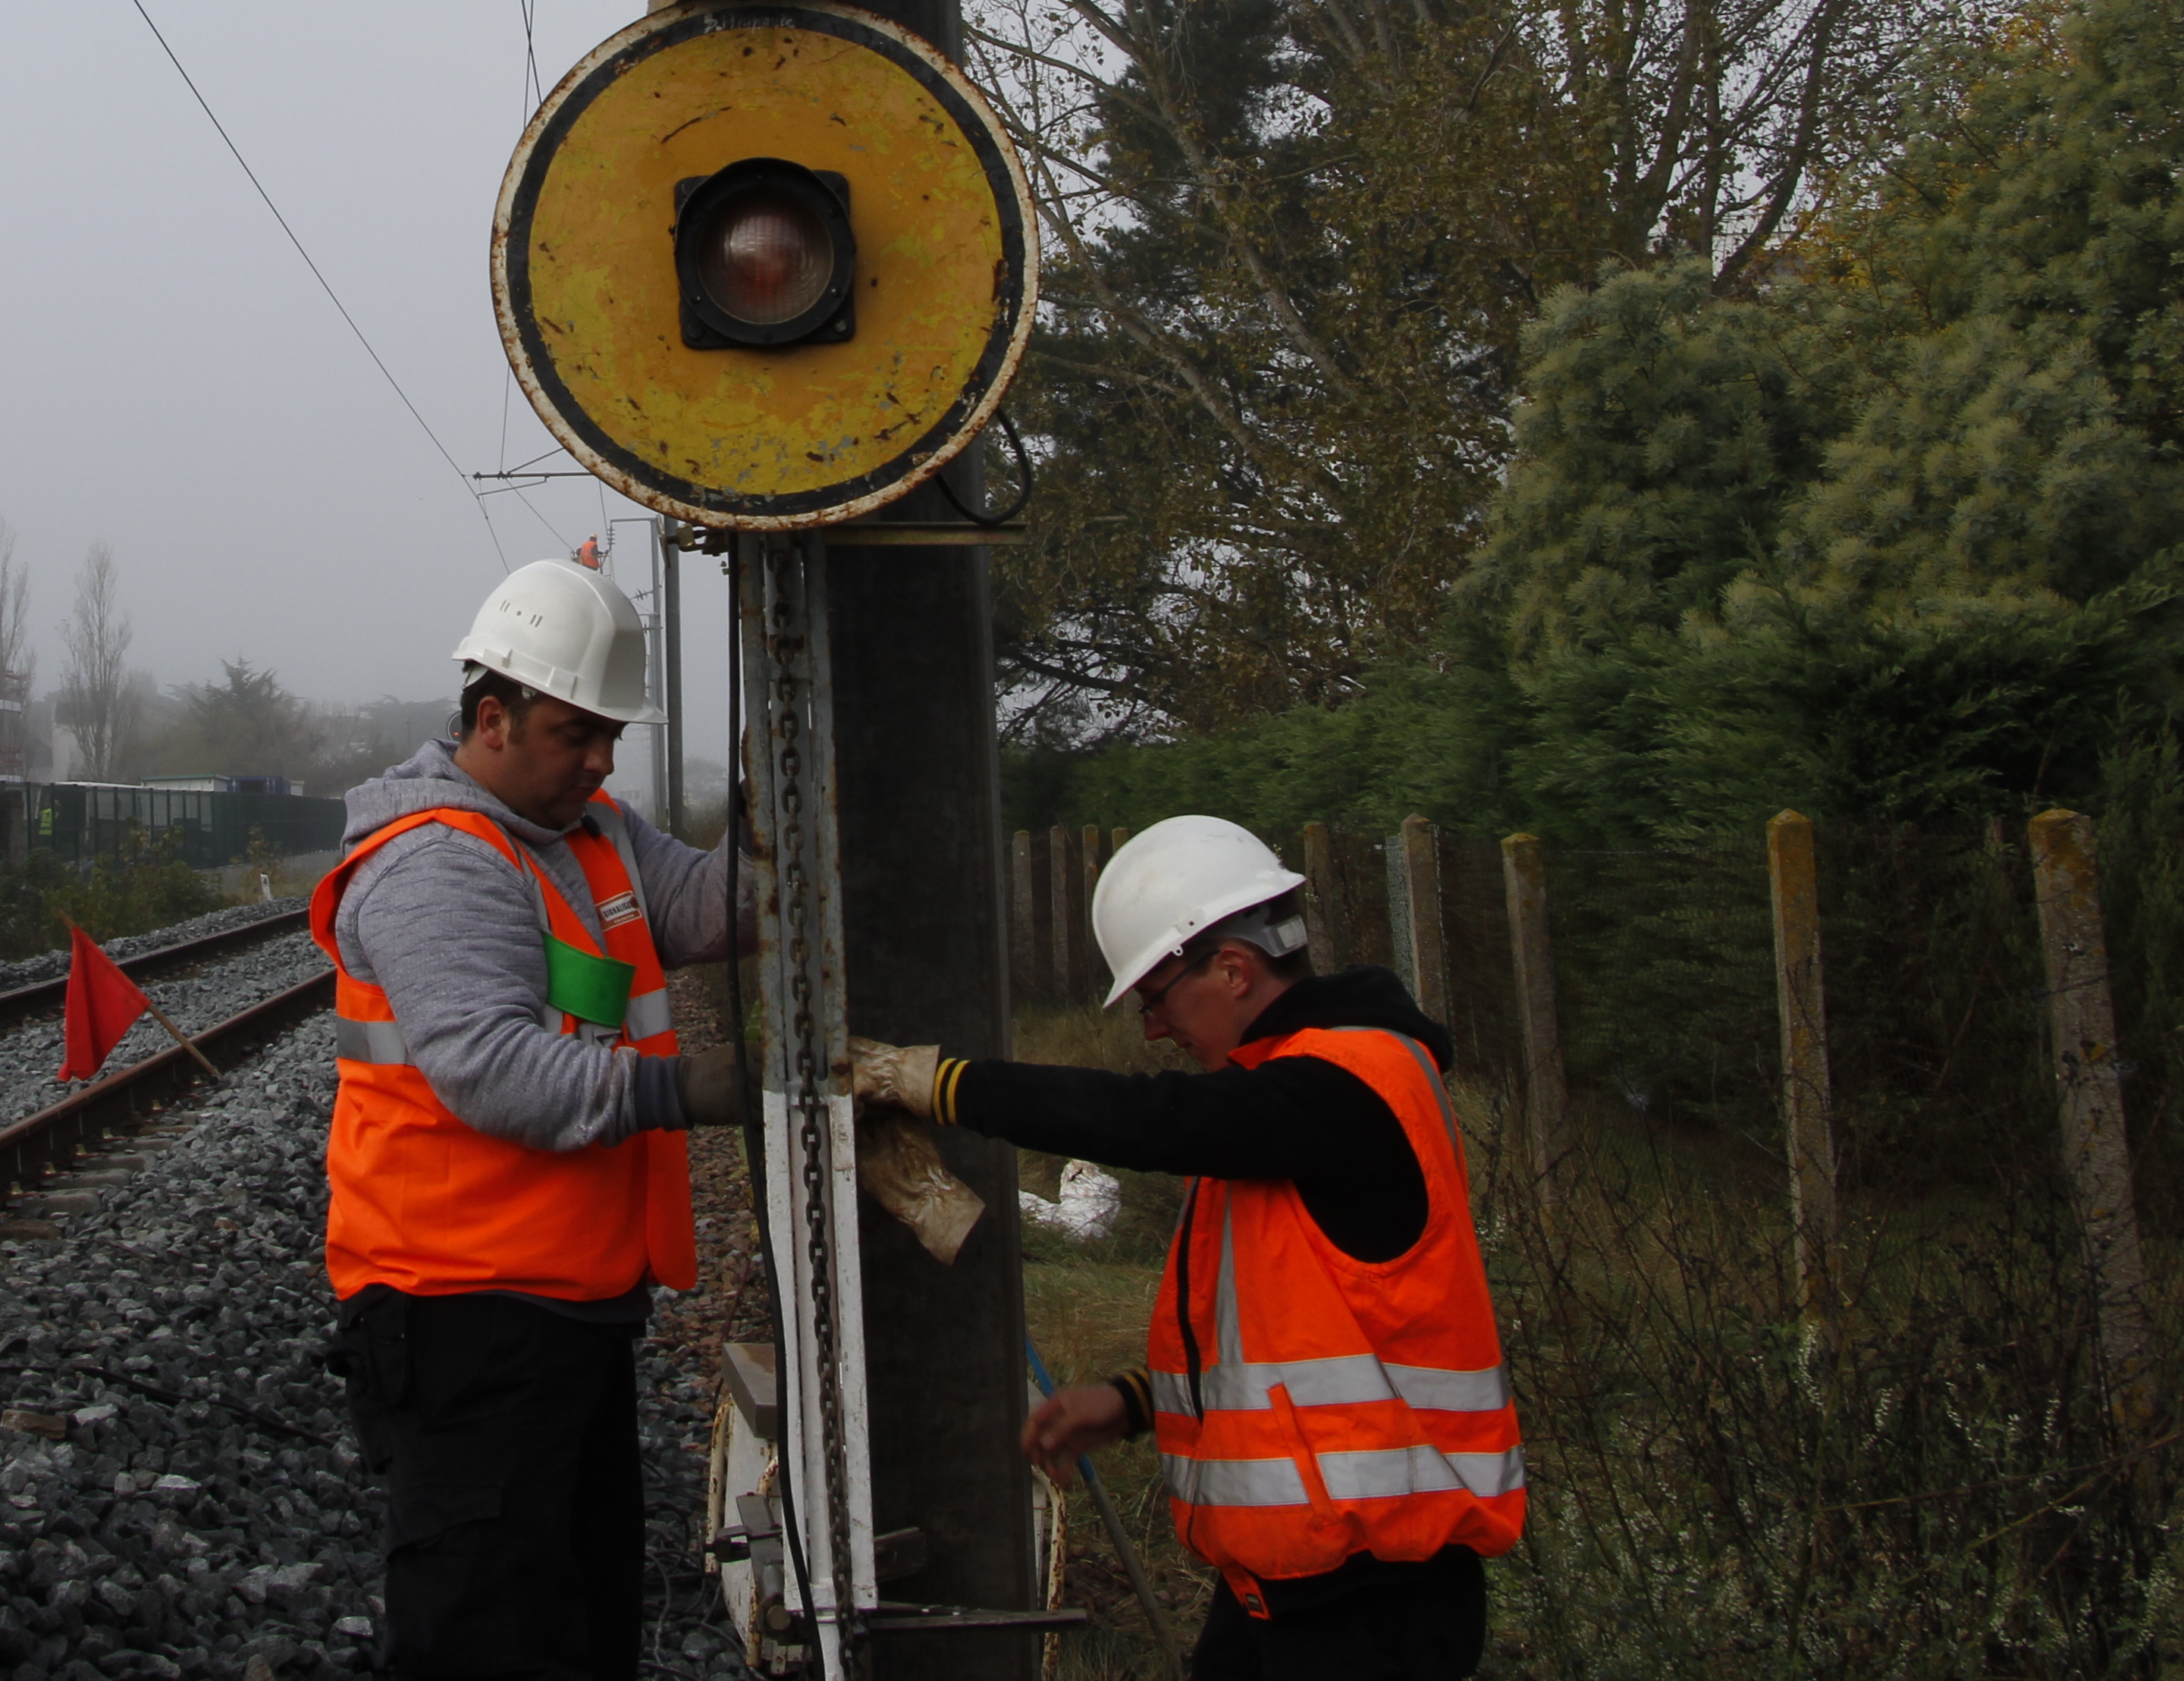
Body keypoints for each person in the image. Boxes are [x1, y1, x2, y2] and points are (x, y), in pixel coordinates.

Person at [849, 816, 1521, 1681]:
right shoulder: (1293, 1097)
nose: (1156, 1029)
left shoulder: (1347, 1084)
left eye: (1155, 999)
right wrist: (1135, 1402)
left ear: (1234, 970)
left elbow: (1153, 1119)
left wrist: (939, 1084)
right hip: (1302, 1575)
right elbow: (1298, 1342)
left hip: (1375, 1592)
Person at [311, 555, 754, 1681]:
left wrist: (775, 815)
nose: (602, 760)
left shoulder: (589, 827)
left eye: (612, 733)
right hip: (463, 1312)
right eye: (577, 733)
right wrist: (687, 1089)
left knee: (573, 1613)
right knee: (485, 1631)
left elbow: (711, 911)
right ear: (493, 717)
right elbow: (492, 1070)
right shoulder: (434, 863)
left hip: (565, 1302)